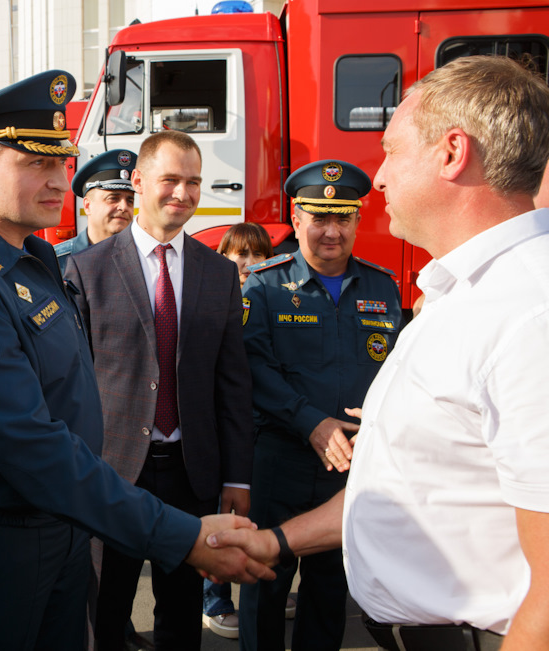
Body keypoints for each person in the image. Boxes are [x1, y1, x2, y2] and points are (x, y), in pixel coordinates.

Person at [0, 69, 274, 651]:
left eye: (62, 163)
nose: (58, 182)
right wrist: (179, 535)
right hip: (3, 544)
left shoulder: (32, 259)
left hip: (64, 524)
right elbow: (31, 446)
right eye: (37, 165)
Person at [211, 55, 549, 651]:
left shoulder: (527, 312)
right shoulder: (456, 296)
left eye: (392, 150)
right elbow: (410, 478)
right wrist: (276, 541)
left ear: (451, 152)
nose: (382, 178)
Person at [64, 130, 253, 650]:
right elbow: (72, 385)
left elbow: (231, 383)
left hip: (192, 476)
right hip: (114, 474)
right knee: (105, 613)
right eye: (170, 180)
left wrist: (237, 476)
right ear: (140, 182)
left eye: (194, 182)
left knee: (180, 616)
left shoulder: (219, 273)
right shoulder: (86, 269)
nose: (183, 193)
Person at [238, 159, 402, 651]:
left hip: (350, 466)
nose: (332, 231)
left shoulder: (383, 286)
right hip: (281, 460)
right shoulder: (264, 285)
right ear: (296, 217)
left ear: (356, 220)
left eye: (344, 218)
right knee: (265, 581)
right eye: (318, 218)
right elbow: (252, 369)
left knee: (331, 591)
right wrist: (310, 423)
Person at [204, 220, 281, 640]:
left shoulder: (274, 295)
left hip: (264, 428)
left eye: (258, 254)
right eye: (240, 254)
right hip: (224, 428)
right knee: (219, 513)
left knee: (258, 515)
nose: (249, 262)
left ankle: (260, 581)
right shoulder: (215, 296)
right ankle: (214, 597)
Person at [54, 148, 137, 273]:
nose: (124, 207)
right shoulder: (57, 262)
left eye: (130, 201)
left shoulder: (142, 261)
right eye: (113, 198)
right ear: (87, 206)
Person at [217, 222, 274, 289]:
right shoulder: (210, 295)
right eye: (242, 254)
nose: (250, 264)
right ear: (225, 258)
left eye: (257, 255)